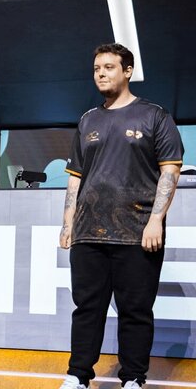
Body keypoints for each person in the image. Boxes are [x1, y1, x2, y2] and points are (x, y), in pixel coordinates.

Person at [58, 43, 183, 389]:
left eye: (109, 67)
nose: (101, 74)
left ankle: (133, 378)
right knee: (87, 308)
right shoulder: (88, 120)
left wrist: (155, 220)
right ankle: (78, 375)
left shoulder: (154, 115)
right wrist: (68, 222)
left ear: (128, 71)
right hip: (88, 233)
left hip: (137, 231)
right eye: (96, 68)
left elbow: (170, 170)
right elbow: (76, 177)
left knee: (135, 310)